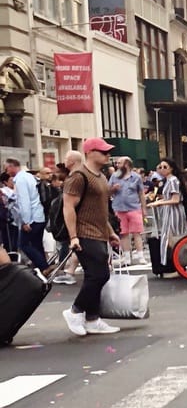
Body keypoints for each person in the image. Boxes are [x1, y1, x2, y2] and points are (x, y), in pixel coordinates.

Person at [61, 138, 122, 336]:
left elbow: (100, 210)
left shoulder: (102, 177)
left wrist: (111, 233)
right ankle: (76, 311)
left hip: (99, 232)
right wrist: (73, 237)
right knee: (99, 274)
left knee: (96, 275)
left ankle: (92, 318)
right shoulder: (79, 176)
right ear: (89, 152)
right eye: (103, 151)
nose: (107, 154)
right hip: (84, 233)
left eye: (108, 151)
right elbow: (68, 206)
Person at [149, 158, 187, 270]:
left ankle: (180, 265)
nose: (162, 169)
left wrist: (159, 203)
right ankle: (178, 265)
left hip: (174, 212)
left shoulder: (172, 181)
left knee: (173, 239)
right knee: (171, 238)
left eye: (165, 167)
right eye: (160, 167)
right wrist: (159, 202)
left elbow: (175, 199)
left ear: (171, 168)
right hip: (169, 211)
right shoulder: (169, 180)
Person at [108, 155, 148, 266]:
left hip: (134, 207)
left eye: (119, 163)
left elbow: (141, 193)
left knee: (137, 232)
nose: (117, 165)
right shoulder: (114, 177)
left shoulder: (136, 177)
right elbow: (107, 192)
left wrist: (144, 208)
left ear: (127, 164)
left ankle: (140, 255)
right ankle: (126, 257)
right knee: (123, 233)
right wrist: (113, 189)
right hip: (119, 208)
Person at [9, 158, 46, 269]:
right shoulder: (29, 176)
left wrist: (25, 221)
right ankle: (42, 267)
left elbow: (24, 201)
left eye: (7, 168)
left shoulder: (20, 180)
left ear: (12, 166)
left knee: (24, 244)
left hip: (31, 218)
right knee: (37, 244)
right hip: (39, 215)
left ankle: (44, 266)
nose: (7, 172)